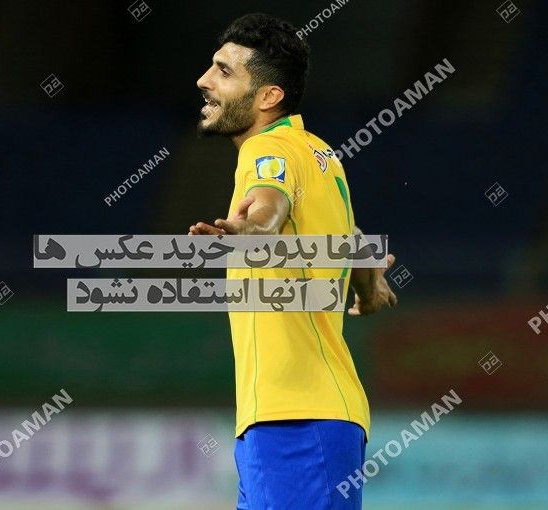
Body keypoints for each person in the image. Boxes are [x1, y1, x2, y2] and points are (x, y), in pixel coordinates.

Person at [188, 13, 397, 510]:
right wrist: (369, 291)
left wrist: (253, 230)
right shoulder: (320, 154)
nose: (204, 80)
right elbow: (352, 239)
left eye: (224, 71)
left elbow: (269, 207)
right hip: (294, 418)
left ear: (268, 97)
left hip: (297, 421)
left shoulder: (267, 149)